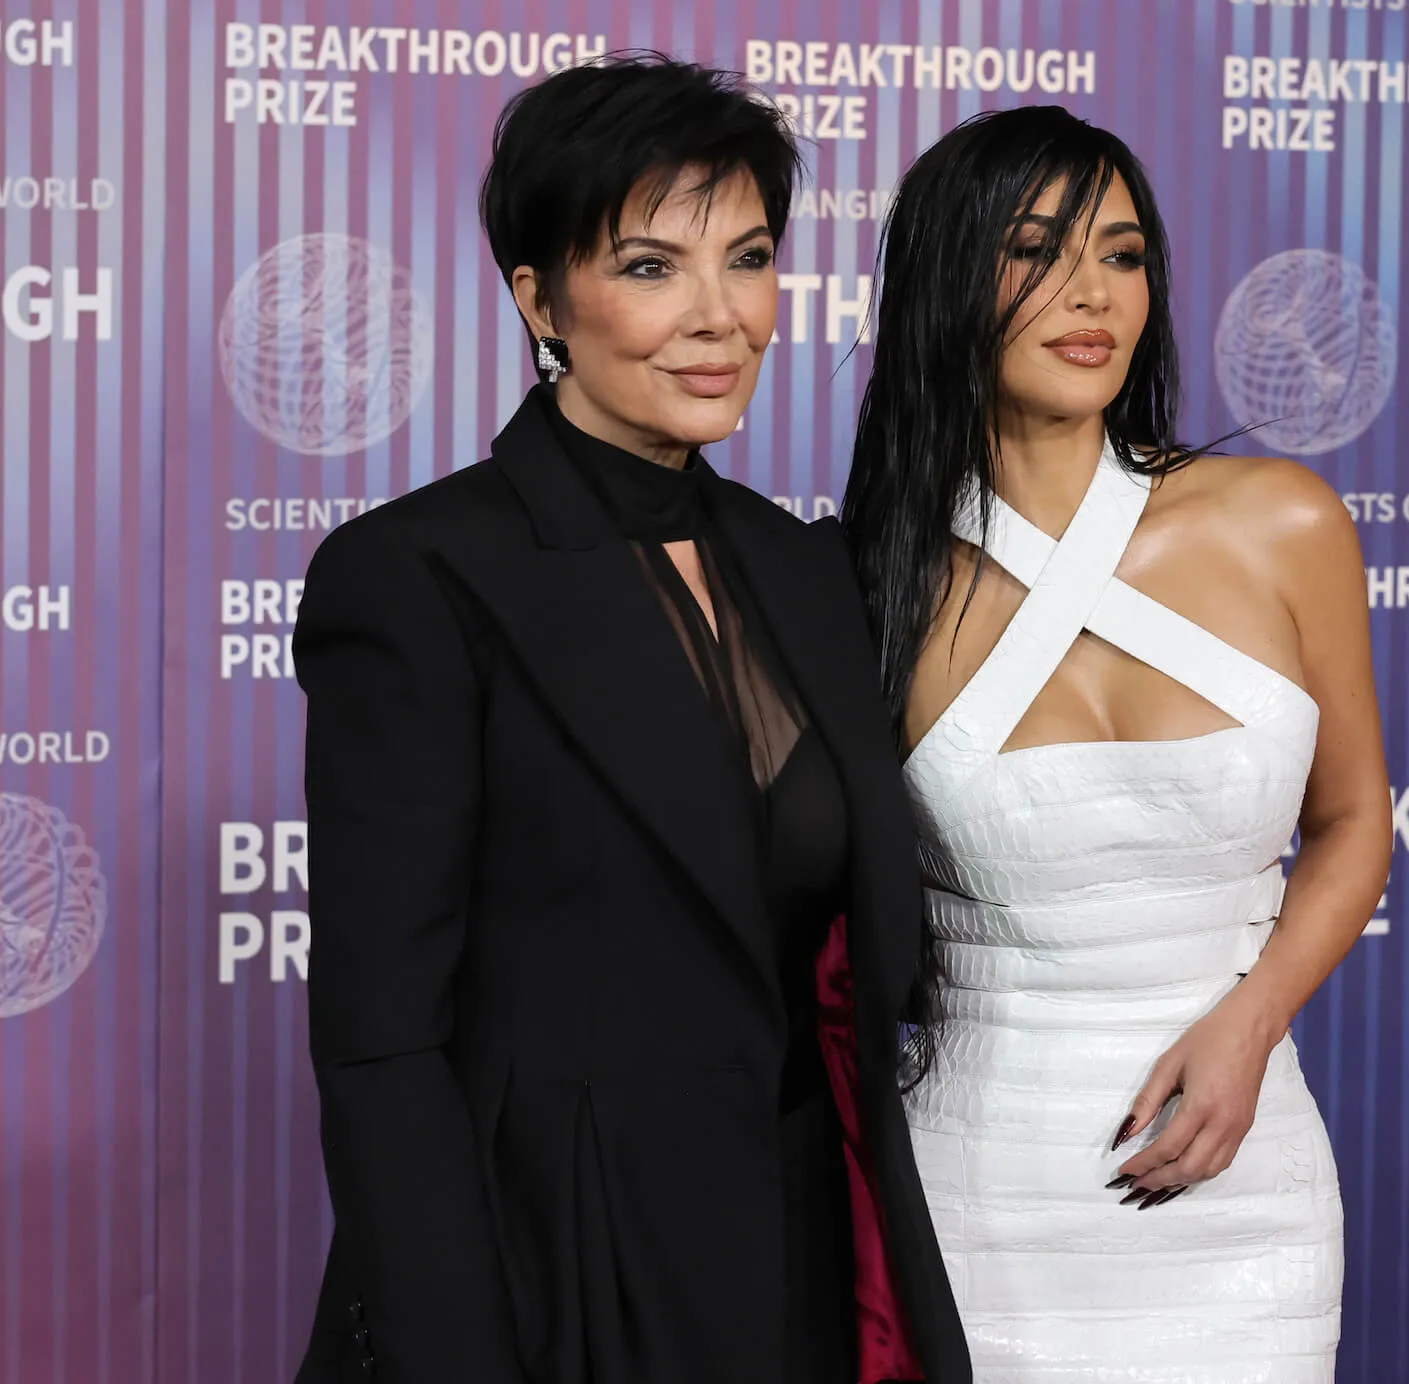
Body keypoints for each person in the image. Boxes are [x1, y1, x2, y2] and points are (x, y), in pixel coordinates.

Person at [292, 56, 969, 1384]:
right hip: (559, 1269)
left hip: (799, 1258)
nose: (719, 317)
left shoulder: (802, 568)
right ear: (539, 297)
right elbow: (383, 1042)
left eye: (751, 258)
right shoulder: (419, 577)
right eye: (653, 267)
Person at [842, 105, 1392, 1380]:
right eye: (1036, 249)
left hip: (1248, 1191)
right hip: (987, 1188)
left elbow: (1355, 819)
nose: (1091, 293)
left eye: (1125, 253)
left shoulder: (1283, 522)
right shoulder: (866, 588)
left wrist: (1251, 1027)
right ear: (945, 279)